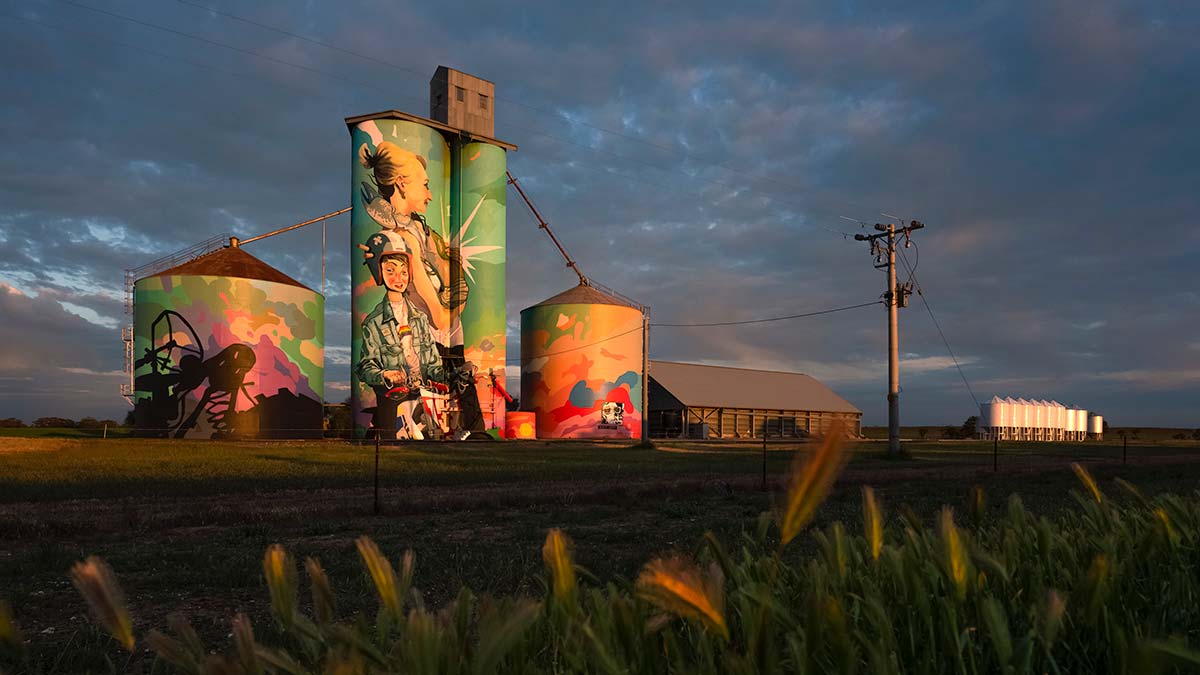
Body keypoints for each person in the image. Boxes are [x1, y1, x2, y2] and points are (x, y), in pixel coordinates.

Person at [358, 141, 470, 338]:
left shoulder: (418, 226)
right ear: (401, 183)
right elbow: (440, 320)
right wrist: (459, 301)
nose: (430, 195)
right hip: (429, 342)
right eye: (425, 185)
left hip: (442, 337)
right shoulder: (401, 240)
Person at [356, 231, 446, 439]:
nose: (399, 278)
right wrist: (385, 375)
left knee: (429, 443)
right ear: (378, 271)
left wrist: (451, 375)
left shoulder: (420, 318)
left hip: (421, 394)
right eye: (390, 270)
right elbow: (365, 367)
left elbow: (433, 363)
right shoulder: (373, 322)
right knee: (392, 445)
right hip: (392, 395)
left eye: (404, 271)